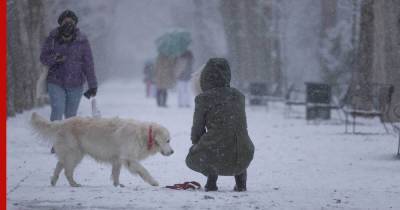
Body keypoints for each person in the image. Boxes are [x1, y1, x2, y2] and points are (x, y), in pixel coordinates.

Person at [185, 58, 255, 192]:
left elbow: (197, 130)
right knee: (232, 139)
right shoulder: (239, 96)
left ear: (205, 78)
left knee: (203, 150)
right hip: (245, 154)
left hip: (218, 152)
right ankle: (241, 183)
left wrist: (197, 145)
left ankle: (211, 180)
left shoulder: (203, 99)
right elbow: (237, 125)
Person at [40, 10, 98, 152]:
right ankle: (57, 143)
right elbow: (43, 58)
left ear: (75, 24)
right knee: (57, 109)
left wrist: (93, 85)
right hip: (56, 81)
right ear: (60, 23)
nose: (68, 24)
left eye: (71, 22)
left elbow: (88, 64)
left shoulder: (82, 40)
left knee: (71, 116)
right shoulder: (52, 38)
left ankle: (68, 142)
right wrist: (55, 58)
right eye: (66, 22)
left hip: (76, 83)